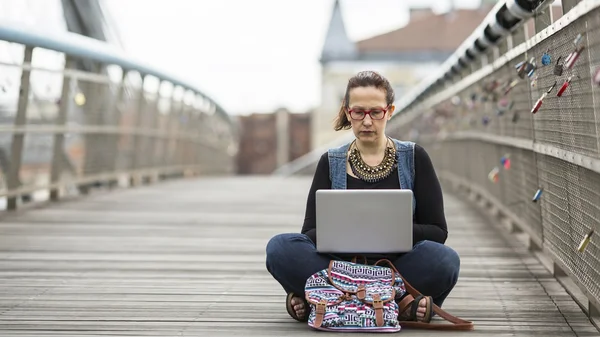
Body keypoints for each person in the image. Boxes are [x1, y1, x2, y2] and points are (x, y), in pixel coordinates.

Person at [265, 70, 460, 324]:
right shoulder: (331, 161)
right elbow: (309, 233)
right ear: (348, 113)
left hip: (397, 269)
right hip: (339, 268)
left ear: (389, 111)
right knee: (280, 248)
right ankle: (397, 302)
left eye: (375, 112)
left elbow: (438, 232)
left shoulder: (414, 158)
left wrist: (391, 231)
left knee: (445, 260)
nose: (367, 121)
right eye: (359, 112)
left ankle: (327, 297)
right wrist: (341, 231)